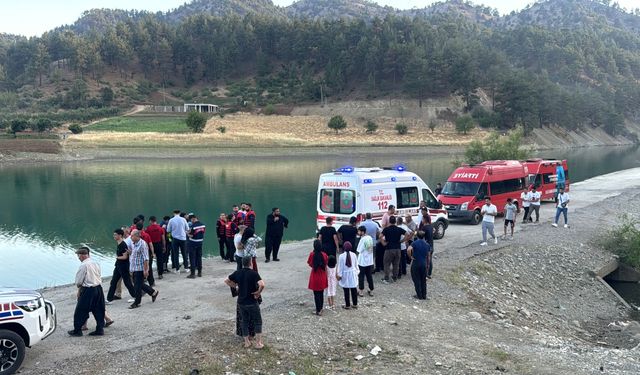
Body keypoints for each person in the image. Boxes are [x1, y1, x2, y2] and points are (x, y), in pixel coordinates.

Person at [225, 256, 265, 349]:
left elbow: (226, 280)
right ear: (251, 263)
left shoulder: (238, 273)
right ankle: (258, 343)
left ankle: (247, 342)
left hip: (241, 302)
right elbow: (262, 284)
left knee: (244, 321)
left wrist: (235, 286)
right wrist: (258, 292)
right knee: (258, 321)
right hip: (252, 301)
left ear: (243, 263)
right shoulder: (254, 273)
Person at [68, 247, 105, 337]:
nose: (78, 257)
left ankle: (77, 330)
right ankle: (100, 329)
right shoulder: (95, 263)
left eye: (78, 255)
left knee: (81, 310)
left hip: (88, 290)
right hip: (98, 288)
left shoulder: (83, 265)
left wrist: (79, 289)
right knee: (99, 309)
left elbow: (79, 281)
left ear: (82, 255)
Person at [127, 230, 159, 309]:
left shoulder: (142, 244)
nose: (131, 237)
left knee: (137, 286)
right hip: (135, 268)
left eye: (132, 236)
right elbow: (136, 255)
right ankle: (153, 292)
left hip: (140, 268)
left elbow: (146, 258)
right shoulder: (134, 244)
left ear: (137, 236)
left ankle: (137, 302)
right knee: (138, 284)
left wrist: (146, 270)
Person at [106, 229, 135, 303]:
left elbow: (125, 257)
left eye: (115, 235)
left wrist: (117, 257)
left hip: (123, 266)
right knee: (113, 282)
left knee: (127, 282)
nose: (114, 236)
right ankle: (109, 299)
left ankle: (135, 296)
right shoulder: (118, 243)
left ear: (120, 235)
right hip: (118, 266)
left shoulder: (123, 244)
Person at [380, 216, 406, 283]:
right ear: (395, 221)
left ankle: (386, 278)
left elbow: (380, 236)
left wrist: (383, 243)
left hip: (389, 248)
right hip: (397, 248)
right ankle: (395, 277)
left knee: (386, 264)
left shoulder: (386, 229)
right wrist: (403, 240)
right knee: (396, 264)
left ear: (389, 221)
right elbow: (409, 234)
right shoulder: (399, 229)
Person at [307, 240, 329, 316]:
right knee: (321, 293)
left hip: (315, 276)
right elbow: (326, 264)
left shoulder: (312, 254)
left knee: (316, 294)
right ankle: (321, 308)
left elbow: (310, 264)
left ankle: (318, 309)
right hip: (322, 276)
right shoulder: (324, 255)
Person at [408, 231, 431, 300]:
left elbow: (409, 249)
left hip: (416, 263)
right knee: (423, 280)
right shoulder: (427, 245)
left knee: (416, 279)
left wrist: (410, 256)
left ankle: (419, 295)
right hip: (423, 263)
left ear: (417, 236)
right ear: (424, 236)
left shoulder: (414, 243)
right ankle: (424, 295)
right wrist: (428, 264)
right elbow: (429, 256)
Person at [337, 241, 359, 309]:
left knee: (346, 290)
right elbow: (356, 265)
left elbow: (340, 267)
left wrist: (339, 275)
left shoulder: (341, 256)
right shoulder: (354, 255)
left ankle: (347, 304)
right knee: (353, 288)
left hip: (345, 274)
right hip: (352, 273)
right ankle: (355, 303)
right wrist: (357, 272)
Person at [356, 225, 374, 297]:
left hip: (362, 261)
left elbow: (359, 250)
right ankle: (371, 289)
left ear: (362, 232)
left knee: (361, 276)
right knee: (369, 275)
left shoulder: (363, 239)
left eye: (359, 231)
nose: (358, 232)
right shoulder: (369, 237)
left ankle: (361, 291)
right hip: (369, 260)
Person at [187, 214, 206, 278]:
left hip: (193, 243)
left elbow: (191, 235)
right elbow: (202, 232)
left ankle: (192, 274)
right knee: (199, 257)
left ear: (193, 219)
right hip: (200, 242)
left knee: (192, 258)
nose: (191, 221)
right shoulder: (203, 225)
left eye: (191, 220)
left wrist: (187, 233)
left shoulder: (193, 226)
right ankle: (199, 273)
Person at [418, 209, 434, 279]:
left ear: (425, 219)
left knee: (426, 260)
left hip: (426, 246)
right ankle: (429, 273)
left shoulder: (424, 227)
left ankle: (426, 274)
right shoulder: (430, 226)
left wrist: (417, 232)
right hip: (431, 245)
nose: (421, 220)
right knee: (430, 260)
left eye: (422, 219)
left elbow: (421, 235)